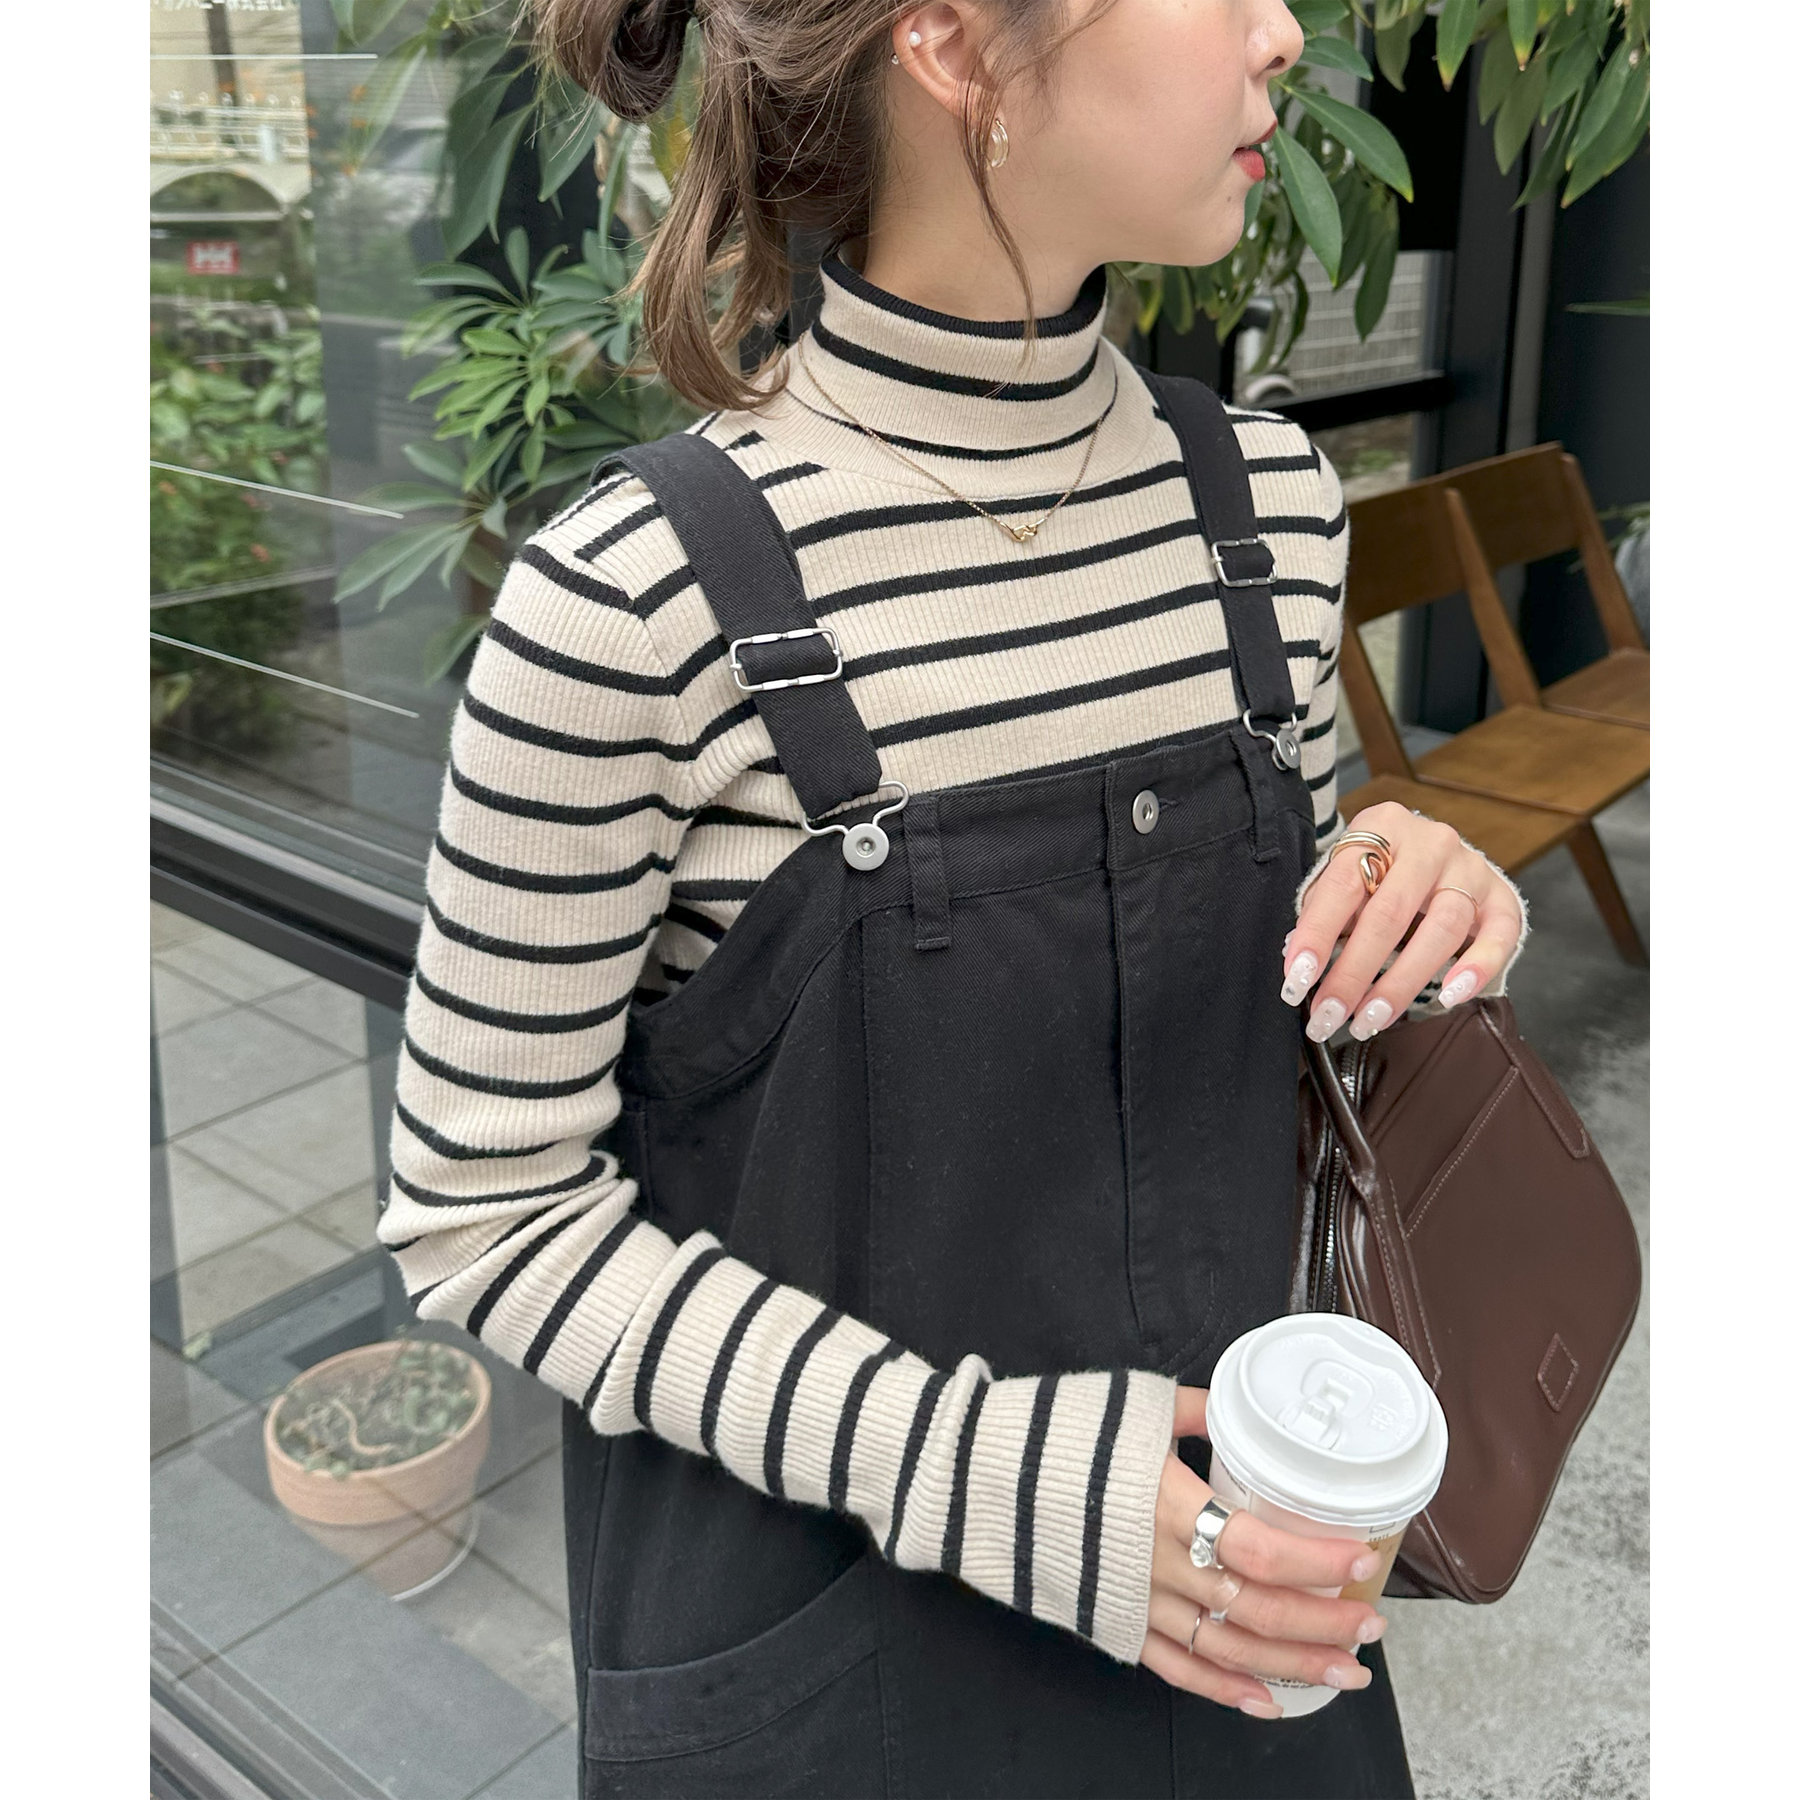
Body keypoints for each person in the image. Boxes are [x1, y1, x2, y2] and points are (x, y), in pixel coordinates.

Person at [376, 2, 1529, 1793]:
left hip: (1246, 1621)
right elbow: (485, 1216)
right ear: (950, 42)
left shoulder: (1270, 516)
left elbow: (1284, 1040)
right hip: (831, 1667)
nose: (1284, 36)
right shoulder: (630, 604)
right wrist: (1008, 1482)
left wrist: (1414, 895)